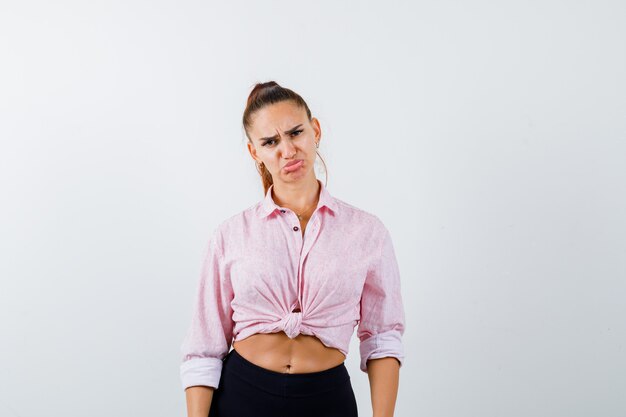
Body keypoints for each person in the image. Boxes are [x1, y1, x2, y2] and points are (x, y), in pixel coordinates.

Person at [180, 81, 406, 417]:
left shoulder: (366, 232)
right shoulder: (230, 235)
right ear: (254, 152)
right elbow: (204, 348)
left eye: (295, 132)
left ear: (315, 130)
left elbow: (383, 337)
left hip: (326, 401)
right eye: (270, 142)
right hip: (242, 397)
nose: (287, 150)